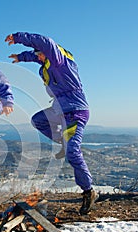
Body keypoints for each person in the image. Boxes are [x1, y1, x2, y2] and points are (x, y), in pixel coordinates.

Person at [5, 32, 97, 215]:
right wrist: (21, 57)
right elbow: (36, 55)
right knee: (38, 120)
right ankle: (63, 141)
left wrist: (18, 38)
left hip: (74, 112)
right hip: (59, 110)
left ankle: (89, 191)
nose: (38, 56)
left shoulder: (59, 60)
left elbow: (45, 42)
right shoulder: (47, 62)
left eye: (40, 53)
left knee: (72, 152)